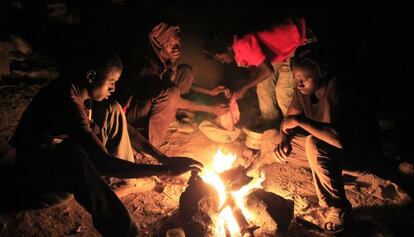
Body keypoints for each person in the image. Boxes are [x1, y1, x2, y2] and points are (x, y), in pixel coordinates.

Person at [9, 51, 202, 237]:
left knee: (113, 108)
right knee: (72, 154)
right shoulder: (66, 101)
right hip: (38, 186)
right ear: (91, 76)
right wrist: (164, 170)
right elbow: (103, 163)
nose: (113, 88)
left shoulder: (80, 92)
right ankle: (125, 232)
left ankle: (126, 181)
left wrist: (163, 158)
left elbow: (126, 129)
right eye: (111, 82)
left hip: (52, 163)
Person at [272, 44, 380, 234]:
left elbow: (339, 140)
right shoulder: (303, 92)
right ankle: (331, 172)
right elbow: (287, 122)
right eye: (297, 79)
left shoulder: (339, 91)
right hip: (331, 151)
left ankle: (338, 206)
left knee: (313, 144)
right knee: (279, 145)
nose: (299, 84)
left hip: (358, 155)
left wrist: (299, 121)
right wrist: (284, 140)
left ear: (322, 71)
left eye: (304, 79)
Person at [117, 22, 230, 147]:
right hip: (130, 115)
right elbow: (174, 97)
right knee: (172, 93)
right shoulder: (147, 67)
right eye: (170, 45)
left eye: (178, 43)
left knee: (185, 72)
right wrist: (211, 109)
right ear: (158, 46)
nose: (176, 48)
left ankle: (170, 119)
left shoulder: (164, 62)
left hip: (150, 102)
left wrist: (209, 92)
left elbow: (174, 85)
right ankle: (149, 143)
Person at [204, 17, 313, 130]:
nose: (222, 62)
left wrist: (244, 88)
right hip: (281, 52)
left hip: (298, 40)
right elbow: (258, 70)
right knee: (263, 86)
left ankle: (292, 128)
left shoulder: (243, 45)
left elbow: (267, 70)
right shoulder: (238, 50)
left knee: (283, 91)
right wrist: (240, 90)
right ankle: (270, 124)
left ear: (227, 47)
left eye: (220, 58)